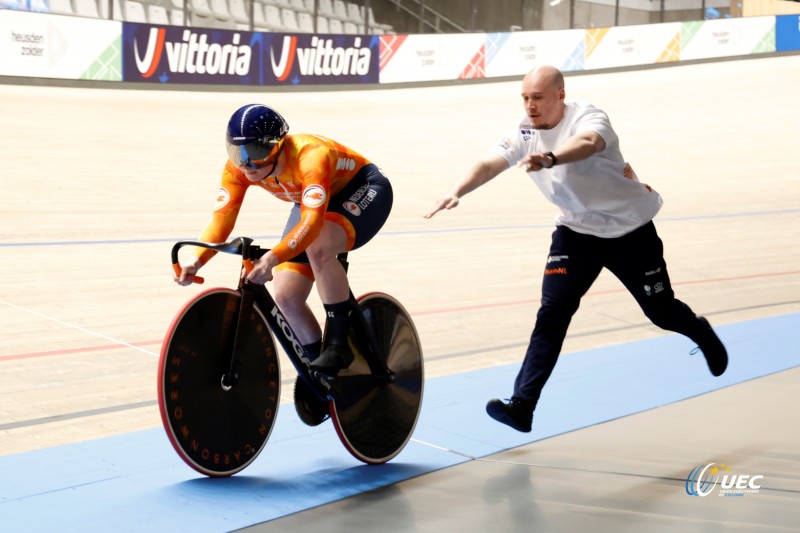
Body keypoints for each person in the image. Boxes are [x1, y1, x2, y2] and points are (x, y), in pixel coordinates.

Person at [424, 66, 727, 433]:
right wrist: (457, 190)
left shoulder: (590, 116)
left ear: (560, 95)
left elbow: (587, 145)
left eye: (538, 98)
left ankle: (700, 331)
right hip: (576, 232)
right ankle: (523, 406)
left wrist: (550, 159)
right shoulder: (524, 131)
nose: (530, 106)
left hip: (629, 229)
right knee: (552, 313)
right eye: (525, 98)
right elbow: (490, 162)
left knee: (661, 312)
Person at [174, 103, 393, 382]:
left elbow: (311, 224)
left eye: (255, 152)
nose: (246, 164)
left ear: (277, 147)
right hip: (312, 199)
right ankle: (322, 374)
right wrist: (196, 259)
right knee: (287, 298)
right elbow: (221, 220)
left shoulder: (310, 155)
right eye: (236, 152)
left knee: (319, 246)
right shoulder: (238, 169)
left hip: (363, 189)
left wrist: (272, 258)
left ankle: (339, 346)